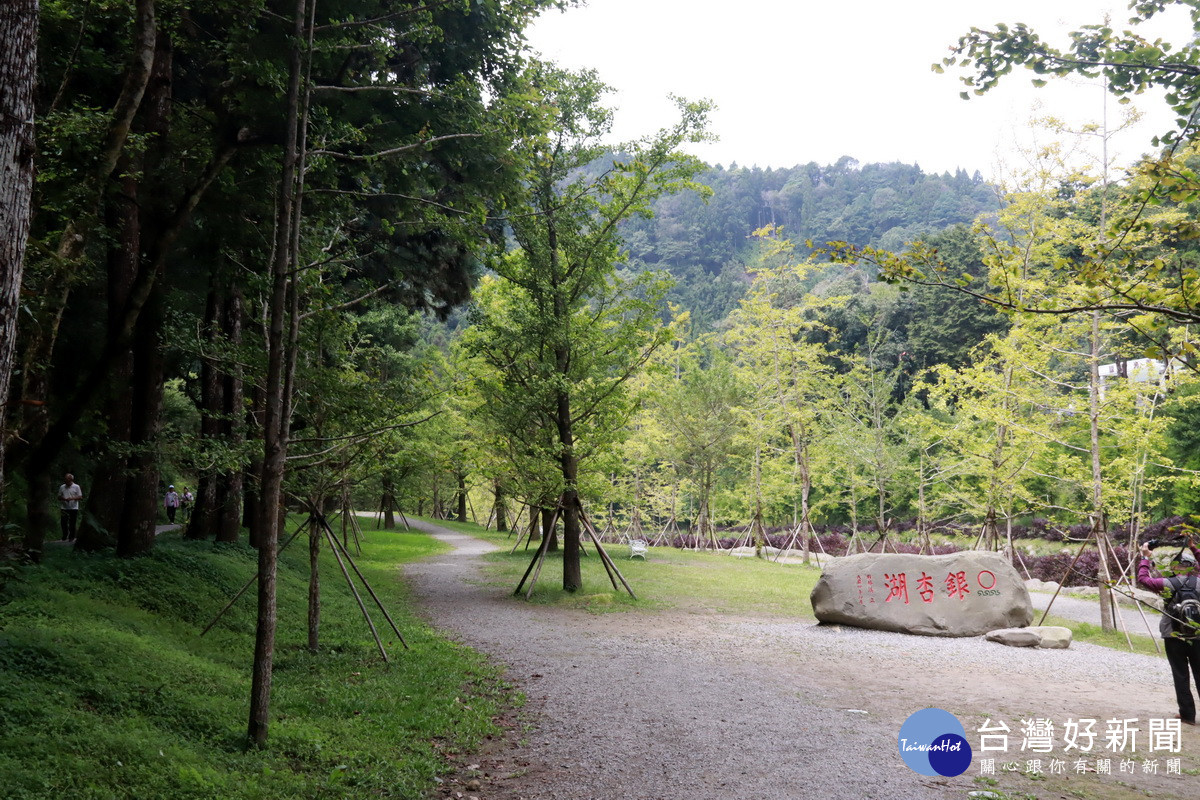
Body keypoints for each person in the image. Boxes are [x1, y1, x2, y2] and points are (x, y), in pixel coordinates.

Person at [1137, 534, 1200, 726]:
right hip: (1198, 635)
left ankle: (1187, 715)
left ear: (1174, 568)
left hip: (1173, 634)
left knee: (1180, 674)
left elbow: (1143, 579)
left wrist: (1146, 557)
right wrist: (1194, 547)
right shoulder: (1199, 582)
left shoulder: (1166, 584)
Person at [57, 473, 83, 542]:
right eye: (65, 479)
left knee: (72, 522)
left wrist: (71, 498)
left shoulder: (76, 487)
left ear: (71, 480)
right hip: (64, 507)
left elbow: (80, 496)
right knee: (63, 522)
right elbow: (59, 497)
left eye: (67, 480)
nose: (66, 481)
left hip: (74, 507)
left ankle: (71, 536)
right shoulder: (62, 487)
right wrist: (64, 498)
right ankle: (64, 535)